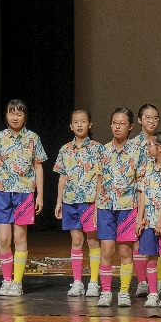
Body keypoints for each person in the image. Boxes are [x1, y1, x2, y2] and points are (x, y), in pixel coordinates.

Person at [0, 100, 47, 297]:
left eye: (19, 114)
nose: (15, 117)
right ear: (6, 115)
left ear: (25, 117)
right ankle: (6, 280)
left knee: (20, 237)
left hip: (24, 192)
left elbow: (38, 167)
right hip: (1, 192)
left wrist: (39, 196)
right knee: (3, 238)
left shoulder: (33, 138)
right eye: (11, 113)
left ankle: (17, 282)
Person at [94, 108, 143, 308]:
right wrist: (95, 208)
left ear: (130, 126)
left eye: (122, 123)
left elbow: (141, 185)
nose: (117, 127)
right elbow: (99, 180)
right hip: (105, 207)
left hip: (128, 207)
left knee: (125, 252)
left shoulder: (137, 151)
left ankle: (123, 292)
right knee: (106, 251)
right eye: (115, 123)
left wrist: (140, 214)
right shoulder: (103, 150)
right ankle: (106, 291)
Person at [53, 109, 102, 297]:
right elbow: (62, 177)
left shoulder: (98, 149)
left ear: (90, 124)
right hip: (70, 201)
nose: (79, 125)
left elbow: (100, 178)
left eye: (83, 121)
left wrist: (98, 203)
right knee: (76, 240)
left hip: (90, 202)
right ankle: (77, 282)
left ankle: (94, 282)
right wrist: (59, 202)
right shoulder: (65, 149)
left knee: (92, 241)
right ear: (71, 126)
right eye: (76, 122)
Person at [135, 131, 161, 308]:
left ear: (160, 148)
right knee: (150, 257)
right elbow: (142, 194)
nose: (147, 148)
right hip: (148, 221)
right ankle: (152, 293)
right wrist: (140, 218)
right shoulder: (146, 168)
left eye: (150, 145)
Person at [128, 103, 161, 297]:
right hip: (137, 198)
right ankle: (142, 281)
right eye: (148, 118)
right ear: (140, 120)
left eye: (155, 118)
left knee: (159, 240)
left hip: (158, 200)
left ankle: (158, 281)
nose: (152, 121)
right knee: (138, 240)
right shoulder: (133, 145)